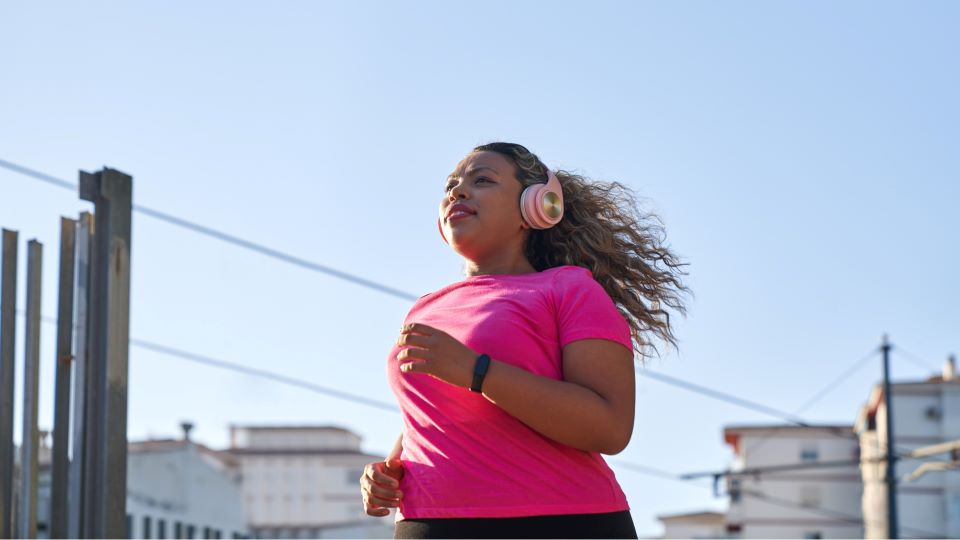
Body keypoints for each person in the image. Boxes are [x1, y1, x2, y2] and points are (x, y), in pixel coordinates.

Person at [359, 142, 690, 539]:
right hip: (429, 523)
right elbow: (432, 413)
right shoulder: (424, 308)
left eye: (482, 180)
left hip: (559, 523)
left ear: (536, 206)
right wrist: (389, 468)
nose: (457, 192)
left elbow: (611, 426)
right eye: (451, 185)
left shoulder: (570, 290)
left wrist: (477, 371)